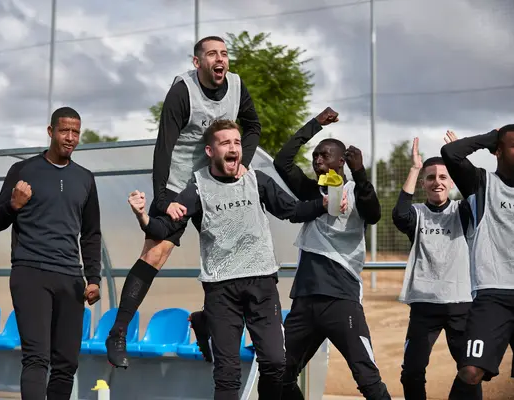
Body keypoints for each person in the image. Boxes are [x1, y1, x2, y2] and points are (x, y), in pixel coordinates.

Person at [127, 119, 343, 400]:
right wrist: (142, 215)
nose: (233, 148)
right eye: (225, 143)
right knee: (227, 376)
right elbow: (163, 229)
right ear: (209, 151)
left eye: (237, 143)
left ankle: (204, 321)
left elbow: (292, 211)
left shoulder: (257, 181)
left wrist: (323, 205)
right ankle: (207, 320)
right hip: (221, 288)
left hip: (261, 282)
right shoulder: (197, 188)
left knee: (276, 362)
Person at [107, 35, 262, 368]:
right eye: (211, 54)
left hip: (214, 184)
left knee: (232, 256)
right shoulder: (182, 92)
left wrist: (242, 160)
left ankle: (206, 321)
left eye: (224, 54)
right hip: (179, 183)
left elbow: (253, 126)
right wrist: (162, 197)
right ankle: (118, 332)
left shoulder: (236, 86)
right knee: (155, 252)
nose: (219, 59)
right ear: (198, 62)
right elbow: (164, 146)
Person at [273, 107, 391, 400]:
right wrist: (314, 125)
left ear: (341, 161)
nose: (317, 159)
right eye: (315, 156)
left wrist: (360, 172)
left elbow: (374, 214)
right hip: (304, 301)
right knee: (277, 375)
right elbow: (282, 161)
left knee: (367, 379)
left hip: (341, 301)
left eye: (324, 155)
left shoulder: (355, 191)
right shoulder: (311, 193)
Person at [0, 107, 102, 400]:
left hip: (70, 277)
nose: (70, 137)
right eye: (64, 130)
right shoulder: (23, 171)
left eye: (76, 132)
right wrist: (14, 205)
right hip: (30, 272)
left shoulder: (86, 179)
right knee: (37, 357)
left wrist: (93, 278)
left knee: (67, 363)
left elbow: (90, 235)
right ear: (50, 132)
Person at [392, 134, 482, 400]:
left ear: (451, 181)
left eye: (443, 177)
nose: (437, 182)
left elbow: (476, 191)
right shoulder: (417, 213)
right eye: (430, 177)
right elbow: (399, 215)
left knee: (469, 371)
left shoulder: (463, 211)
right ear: (423, 184)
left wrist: (460, 157)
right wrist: (415, 168)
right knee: (411, 373)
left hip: (460, 304)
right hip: (424, 305)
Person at [440, 124, 514, 395]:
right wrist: (489, 138)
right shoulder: (481, 184)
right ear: (498, 151)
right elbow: (450, 153)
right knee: (470, 371)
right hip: (492, 294)